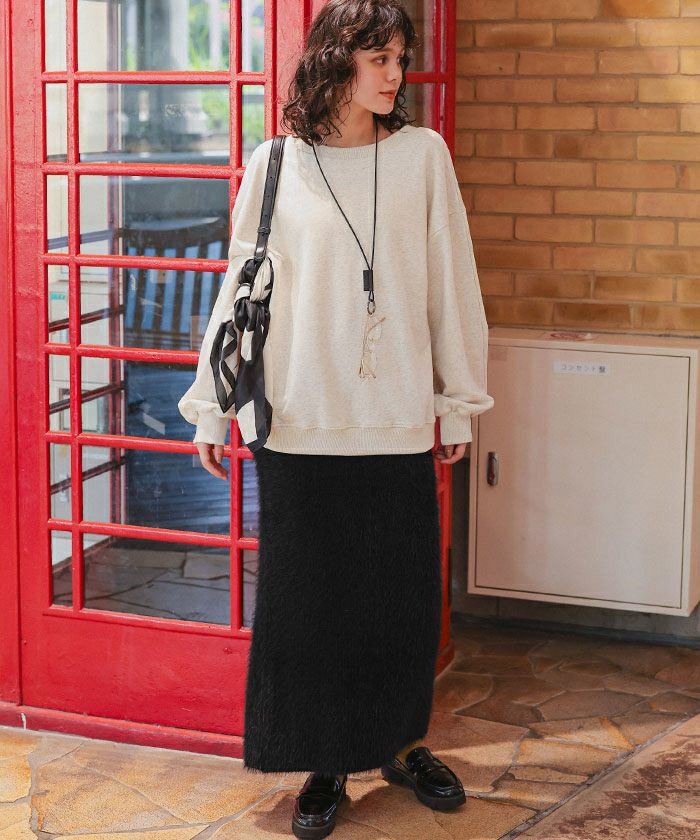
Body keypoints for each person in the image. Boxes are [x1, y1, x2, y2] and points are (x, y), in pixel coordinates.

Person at [178, 0, 494, 836]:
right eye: (379, 58)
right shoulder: (277, 163)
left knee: (400, 601)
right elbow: (238, 293)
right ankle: (325, 763)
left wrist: (459, 400)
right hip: (299, 421)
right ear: (334, 60)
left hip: (394, 419)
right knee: (309, 606)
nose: (396, 74)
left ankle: (400, 745)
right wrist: (210, 407)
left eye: (400, 59)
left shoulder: (423, 156)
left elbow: (452, 283)